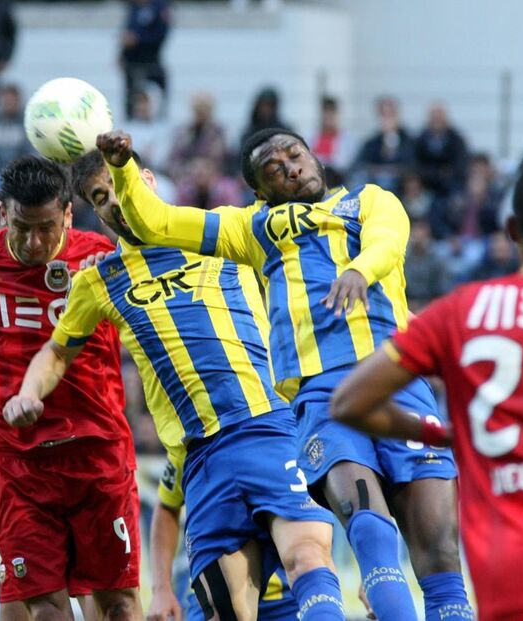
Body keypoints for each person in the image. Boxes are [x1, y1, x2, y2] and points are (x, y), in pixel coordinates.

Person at [98, 128, 474, 621]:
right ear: (261, 191)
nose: (291, 167)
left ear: (313, 156)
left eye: (295, 155)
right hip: (324, 400)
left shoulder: (369, 201)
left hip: (401, 385)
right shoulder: (252, 228)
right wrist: (125, 168)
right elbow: (157, 222)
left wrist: (360, 270)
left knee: (441, 556)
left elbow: (388, 241)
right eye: (274, 168)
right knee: (369, 525)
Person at [7, 150, 344, 620]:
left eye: (120, 187)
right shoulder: (100, 280)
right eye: (100, 198)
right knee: (225, 609)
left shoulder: (223, 230)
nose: (115, 204)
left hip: (268, 426)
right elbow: (57, 351)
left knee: (306, 554)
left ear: (147, 179)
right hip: (199, 460)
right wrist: (27, 393)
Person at [331, 135, 523, 620]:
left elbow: (349, 402)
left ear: (514, 230)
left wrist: (442, 433)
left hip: (509, 575)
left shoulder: (463, 312)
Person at [0, 155, 139, 621]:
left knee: (116, 602)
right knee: (44, 607)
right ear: (2, 213)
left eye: (47, 228)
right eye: (22, 227)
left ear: (68, 215)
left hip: (96, 453)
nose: (35, 242)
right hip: (16, 464)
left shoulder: (96, 258)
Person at [149, 446, 299, 621]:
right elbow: (166, 507)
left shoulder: (282, 434)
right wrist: (161, 589)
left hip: (283, 601)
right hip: (212, 601)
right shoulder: (191, 442)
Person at [120, 0, 171, 120]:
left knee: (154, 102)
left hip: (151, 64)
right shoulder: (133, 7)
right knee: (131, 101)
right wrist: (122, 55)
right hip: (132, 64)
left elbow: (161, 35)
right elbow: (128, 31)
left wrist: (139, 39)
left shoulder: (160, 7)